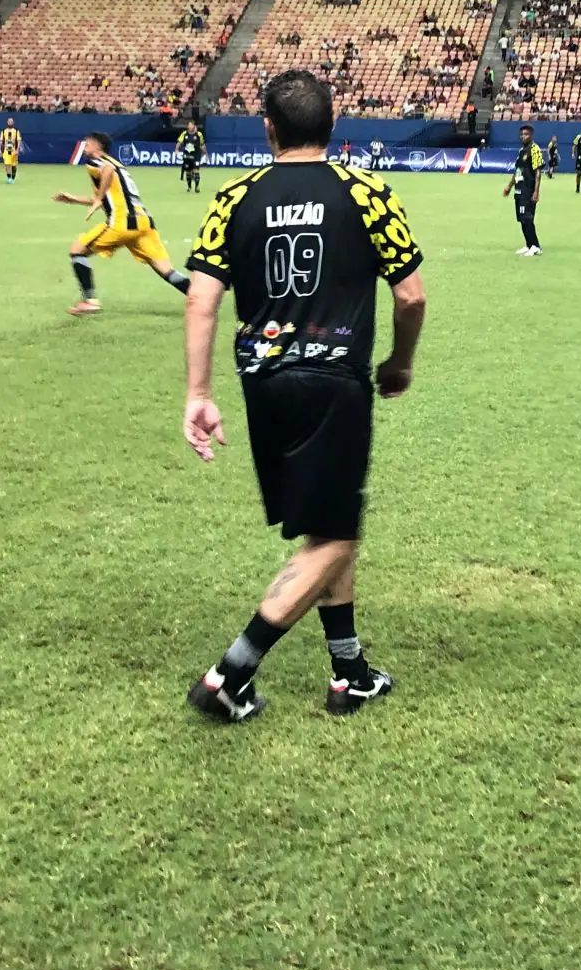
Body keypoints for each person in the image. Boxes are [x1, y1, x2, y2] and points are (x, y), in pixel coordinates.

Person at [181, 70, 426, 724]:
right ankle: (229, 675)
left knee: (328, 522)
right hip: (333, 378)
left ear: (269, 129)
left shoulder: (235, 196)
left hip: (263, 381)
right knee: (338, 537)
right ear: (333, 124)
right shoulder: (367, 191)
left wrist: (198, 393)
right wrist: (399, 364)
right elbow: (411, 295)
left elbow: (202, 299)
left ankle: (349, 673)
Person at [53, 132, 191, 316]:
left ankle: (90, 300)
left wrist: (99, 198)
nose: (85, 145)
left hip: (122, 222)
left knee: (77, 250)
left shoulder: (97, 161)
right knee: (165, 269)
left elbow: (106, 173)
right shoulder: (119, 165)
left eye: (89, 143)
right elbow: (106, 198)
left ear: (98, 147)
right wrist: (74, 200)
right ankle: (200, 296)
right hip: (144, 222)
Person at [505, 124, 544, 255]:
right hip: (519, 188)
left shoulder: (535, 149)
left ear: (531, 135)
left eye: (526, 134)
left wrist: (536, 191)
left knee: (528, 217)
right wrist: (509, 187)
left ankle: (535, 246)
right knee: (522, 218)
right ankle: (529, 245)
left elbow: (538, 171)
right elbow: (517, 171)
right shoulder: (521, 151)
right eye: (521, 134)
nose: (523, 136)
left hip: (529, 188)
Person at [176, 119, 206, 194]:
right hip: (187, 156)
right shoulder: (184, 134)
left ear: (193, 126)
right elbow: (179, 142)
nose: (189, 126)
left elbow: (202, 145)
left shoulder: (199, 134)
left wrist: (205, 153)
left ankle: (197, 187)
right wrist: (176, 149)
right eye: (188, 125)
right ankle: (189, 187)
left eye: (190, 125)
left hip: (196, 155)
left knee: (196, 171)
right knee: (188, 172)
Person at [0, 117, 22, 182]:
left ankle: (13, 178)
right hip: (6, 151)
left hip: (14, 151)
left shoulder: (16, 131)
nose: (10, 123)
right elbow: (0, 141)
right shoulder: (3, 131)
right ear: (7, 122)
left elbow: (19, 141)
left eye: (11, 121)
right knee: (7, 164)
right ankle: (9, 178)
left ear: (13, 123)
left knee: (14, 165)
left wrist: (17, 149)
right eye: (9, 121)